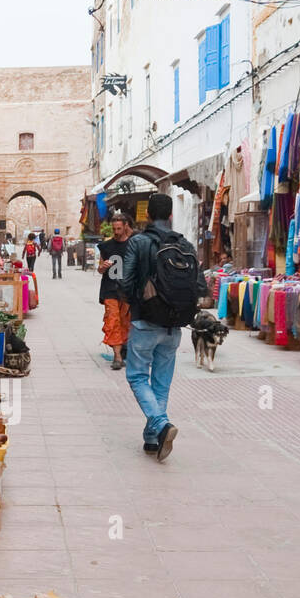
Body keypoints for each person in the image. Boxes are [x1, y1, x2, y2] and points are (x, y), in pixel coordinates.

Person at [121, 193, 205, 461]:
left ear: (147, 216)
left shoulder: (138, 242)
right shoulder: (186, 245)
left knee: (136, 376)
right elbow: (200, 286)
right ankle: (151, 439)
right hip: (174, 325)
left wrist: (135, 300)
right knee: (161, 381)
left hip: (145, 321)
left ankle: (159, 424)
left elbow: (124, 281)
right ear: (171, 215)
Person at [97, 212, 133, 370]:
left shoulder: (134, 245)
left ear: (126, 226)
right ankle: (117, 357)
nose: (117, 232)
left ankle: (124, 350)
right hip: (110, 290)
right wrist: (102, 267)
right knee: (113, 321)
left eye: (119, 228)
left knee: (126, 322)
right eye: (114, 229)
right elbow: (99, 269)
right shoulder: (106, 246)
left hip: (128, 291)